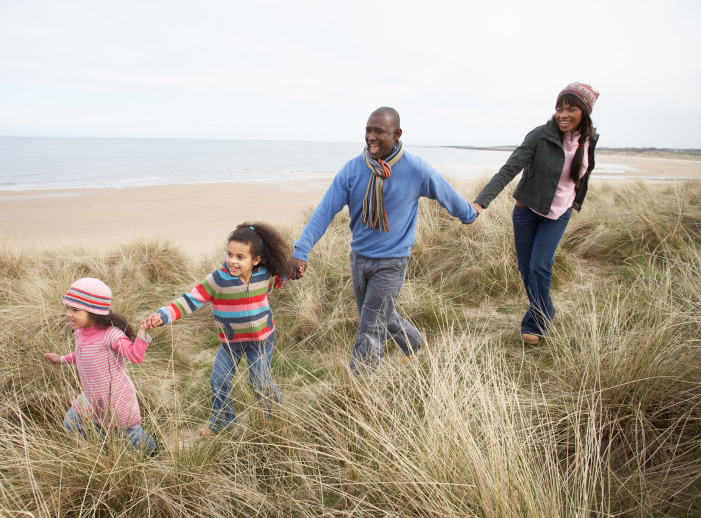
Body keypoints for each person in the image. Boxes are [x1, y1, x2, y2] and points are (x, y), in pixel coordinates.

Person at [288, 107, 477, 375]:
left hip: (392, 262)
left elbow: (449, 195)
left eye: (379, 131)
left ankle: (360, 386)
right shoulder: (353, 170)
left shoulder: (416, 169)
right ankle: (414, 344)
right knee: (377, 314)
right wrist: (301, 250)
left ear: (397, 134)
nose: (371, 137)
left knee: (371, 325)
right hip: (359, 259)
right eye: (368, 130)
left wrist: (469, 214)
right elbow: (325, 211)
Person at [472, 82, 600, 346]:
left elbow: (582, 176)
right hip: (527, 212)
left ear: (584, 112)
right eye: (559, 108)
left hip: (558, 213)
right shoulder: (540, 136)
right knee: (525, 268)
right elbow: (509, 170)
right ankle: (547, 309)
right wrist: (481, 203)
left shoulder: (589, 140)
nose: (563, 114)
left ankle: (537, 321)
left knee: (540, 266)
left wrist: (575, 201)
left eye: (571, 109)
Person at [145, 223, 289, 436]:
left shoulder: (264, 274)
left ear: (255, 260)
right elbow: (191, 300)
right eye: (230, 254)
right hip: (230, 342)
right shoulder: (218, 279)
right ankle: (223, 419)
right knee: (219, 380)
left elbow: (278, 282)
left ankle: (273, 413)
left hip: (262, 340)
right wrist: (163, 315)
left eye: (241, 257)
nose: (233, 261)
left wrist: (292, 273)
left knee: (260, 381)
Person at [44, 278, 157, 455]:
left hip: (115, 400)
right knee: (71, 423)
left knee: (129, 434)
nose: (68, 314)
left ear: (93, 312)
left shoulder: (111, 335)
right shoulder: (80, 332)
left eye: (75, 310)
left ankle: (153, 450)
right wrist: (61, 360)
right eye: (67, 308)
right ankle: (102, 452)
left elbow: (135, 356)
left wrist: (142, 333)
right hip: (91, 397)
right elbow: (81, 354)